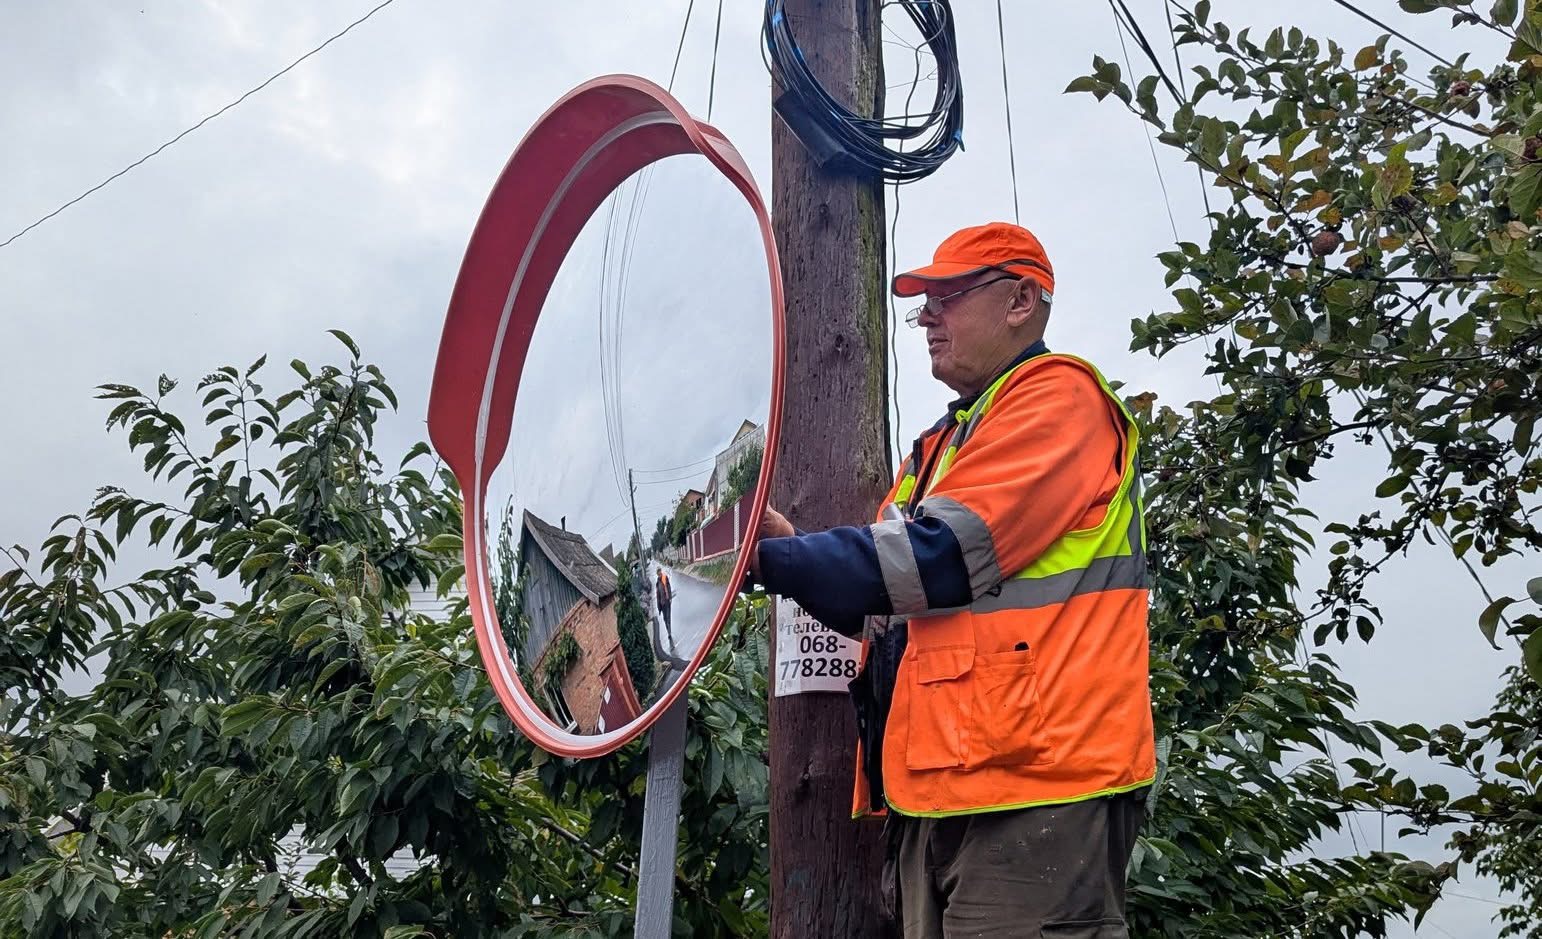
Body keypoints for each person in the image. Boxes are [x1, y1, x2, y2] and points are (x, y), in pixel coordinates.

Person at [748, 222, 1155, 938]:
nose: (928, 318)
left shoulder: (1058, 402)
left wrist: (772, 561)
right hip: (947, 788)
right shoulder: (944, 444)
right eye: (923, 304)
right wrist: (791, 556)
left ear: (1020, 300)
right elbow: (889, 606)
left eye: (948, 296)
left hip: (1040, 788)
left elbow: (932, 557)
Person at [655, 567, 673, 634]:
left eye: (659, 571)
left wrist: (670, 597)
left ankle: (669, 632)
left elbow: (669, 587)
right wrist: (659, 607)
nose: (659, 573)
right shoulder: (657, 583)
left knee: (668, 617)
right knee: (665, 619)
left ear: (661, 571)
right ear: (657, 573)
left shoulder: (665, 578)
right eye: (658, 572)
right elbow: (658, 596)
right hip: (662, 604)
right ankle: (668, 630)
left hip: (667, 601)